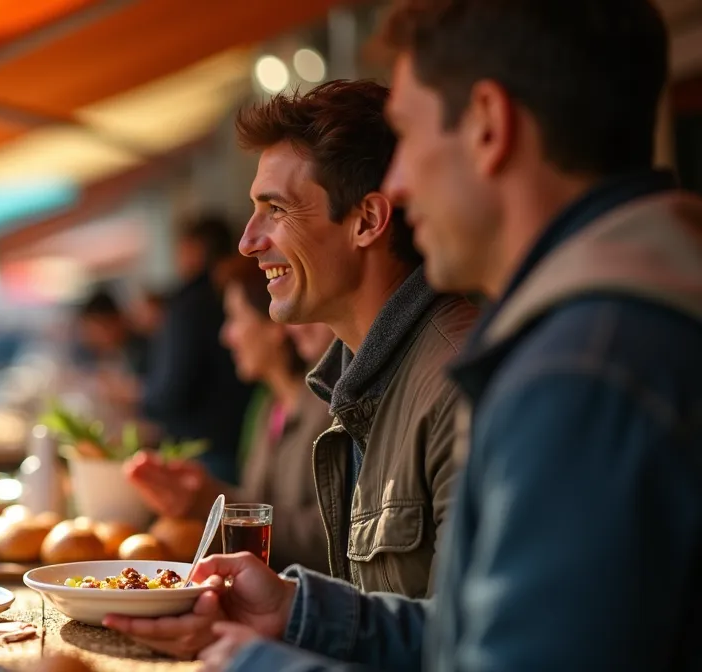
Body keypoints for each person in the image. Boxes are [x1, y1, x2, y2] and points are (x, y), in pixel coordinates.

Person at [123, 1, 702, 669]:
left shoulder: (580, 367)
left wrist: (257, 663)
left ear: (488, 124)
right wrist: (300, 613)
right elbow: (469, 637)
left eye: (411, 133)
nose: (398, 182)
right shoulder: (600, 333)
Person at [107, 79, 478, 658]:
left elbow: (480, 646)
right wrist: (292, 610)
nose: (249, 242)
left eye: (275, 209)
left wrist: (266, 658)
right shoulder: (362, 377)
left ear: (367, 220)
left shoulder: (459, 382)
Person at [126, 257, 331, 573]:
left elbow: (335, 539)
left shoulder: (331, 409)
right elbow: (262, 510)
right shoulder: (266, 407)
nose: (226, 336)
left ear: (275, 323)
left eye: (234, 318)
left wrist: (211, 504)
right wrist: (201, 497)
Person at [140, 214, 255, 485]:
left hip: (203, 449)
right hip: (235, 437)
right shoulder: (221, 295)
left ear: (196, 248)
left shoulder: (191, 305)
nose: (228, 337)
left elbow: (173, 386)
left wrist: (144, 399)